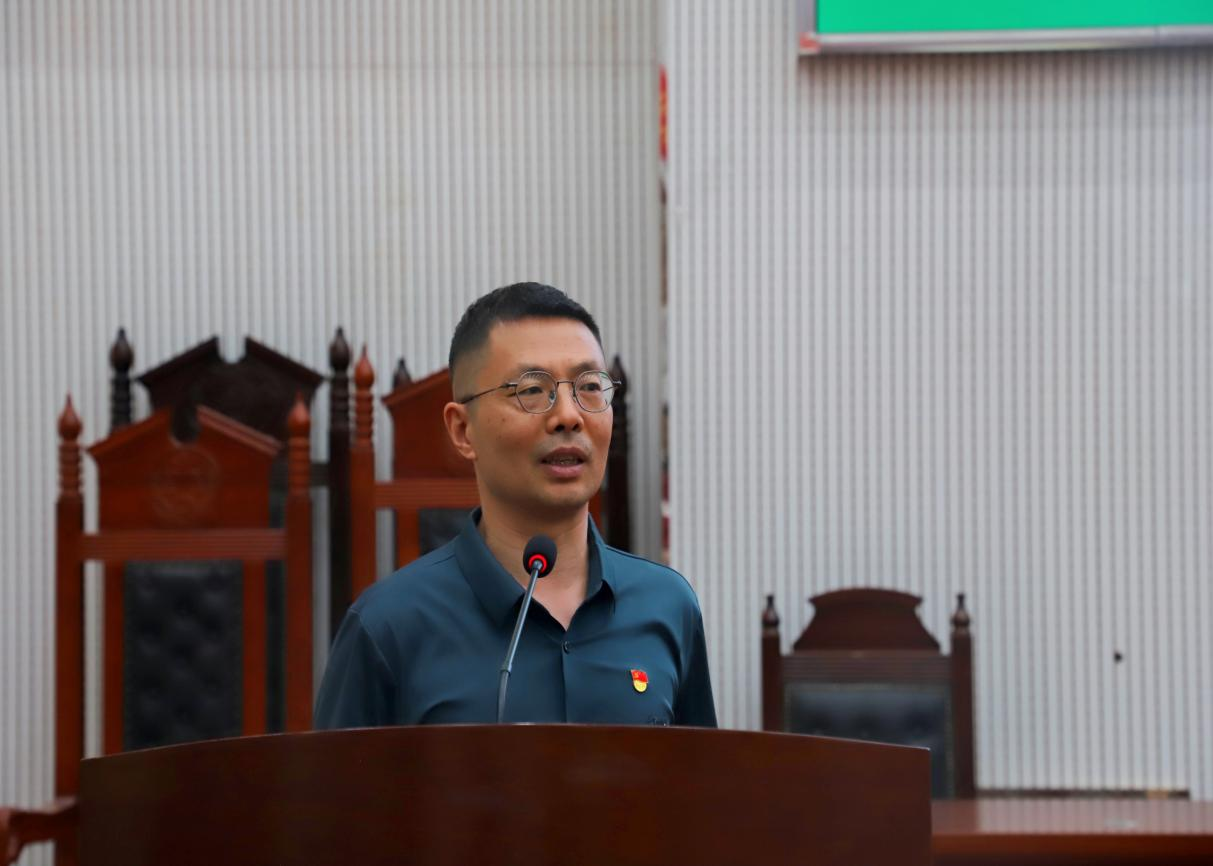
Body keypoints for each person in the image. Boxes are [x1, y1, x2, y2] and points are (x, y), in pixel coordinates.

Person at [314, 282, 716, 727]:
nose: (569, 416)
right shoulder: (388, 628)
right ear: (463, 430)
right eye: (532, 390)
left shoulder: (667, 605)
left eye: (589, 386)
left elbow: (700, 773)